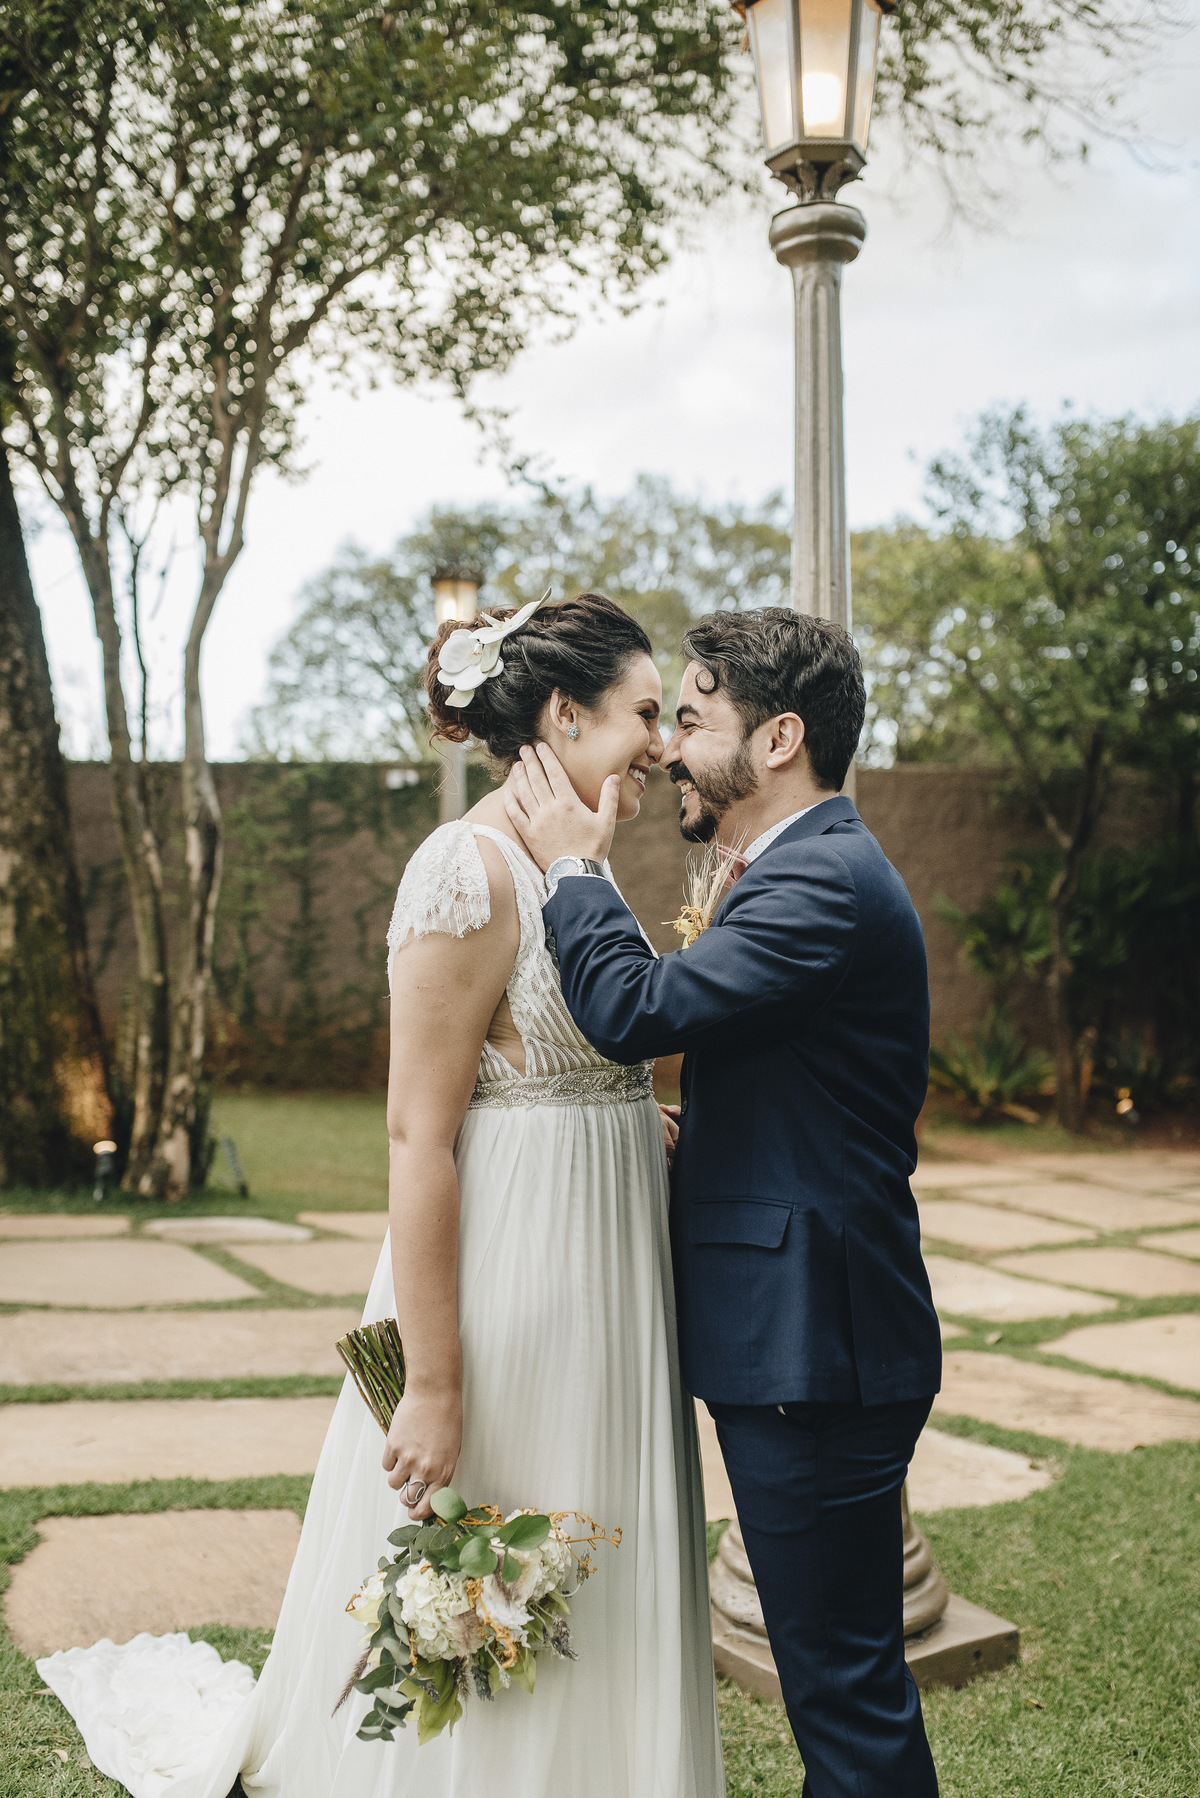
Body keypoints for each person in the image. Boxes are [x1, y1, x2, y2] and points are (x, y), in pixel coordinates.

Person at [37, 591, 724, 1798]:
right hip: (514, 1286)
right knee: (512, 1545)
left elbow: (570, 1056)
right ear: (564, 716)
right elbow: (418, 1134)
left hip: (613, 1285)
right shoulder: (467, 868)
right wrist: (435, 1383)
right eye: (643, 713)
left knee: (606, 1543)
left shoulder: (585, 861)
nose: (662, 745)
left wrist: (630, 1118)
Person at [504, 606, 942, 1798]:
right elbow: (808, 1104)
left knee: (842, 1690)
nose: (667, 748)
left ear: (779, 737)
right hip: (808, 1342)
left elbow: (634, 1010)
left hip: (817, 1352)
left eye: (692, 720)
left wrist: (574, 865)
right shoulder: (799, 870)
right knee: (836, 1683)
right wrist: (682, 1140)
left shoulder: (822, 879)